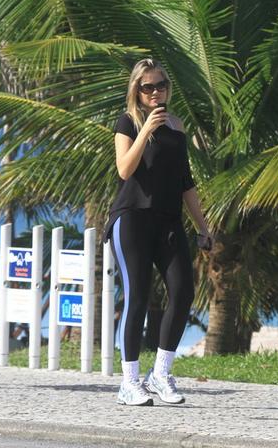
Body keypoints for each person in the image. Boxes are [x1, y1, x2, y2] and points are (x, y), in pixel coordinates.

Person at [105, 58, 213, 406]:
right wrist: (146, 131)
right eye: (147, 87)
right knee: (137, 296)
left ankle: (161, 373)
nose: (155, 92)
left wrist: (203, 226)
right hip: (132, 219)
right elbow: (124, 170)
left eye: (161, 85)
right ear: (136, 91)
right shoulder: (128, 122)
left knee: (183, 292)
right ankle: (129, 382)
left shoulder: (178, 126)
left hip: (168, 220)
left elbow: (186, 182)